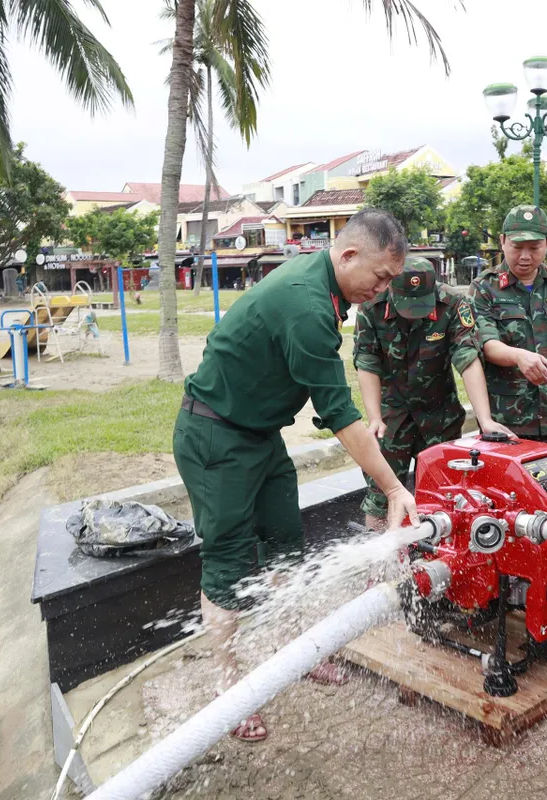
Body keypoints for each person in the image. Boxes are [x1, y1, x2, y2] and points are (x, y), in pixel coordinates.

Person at [173, 209, 421, 742]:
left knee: (287, 549)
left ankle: (291, 657)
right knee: (229, 565)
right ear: (348, 254)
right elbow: (339, 414)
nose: (381, 291)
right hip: (216, 437)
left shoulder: (327, 288)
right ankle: (229, 692)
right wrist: (394, 487)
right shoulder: (307, 304)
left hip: (259, 437)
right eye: (379, 277)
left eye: (390, 283)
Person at [353, 258, 513, 531]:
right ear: (392, 289)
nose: (413, 314)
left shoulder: (453, 304)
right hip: (392, 416)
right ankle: (380, 562)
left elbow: (467, 358)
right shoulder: (372, 304)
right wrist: (374, 418)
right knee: (380, 497)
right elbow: (367, 361)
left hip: (439, 413)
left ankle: (437, 561)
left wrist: (484, 420)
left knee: (445, 496)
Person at [470, 205, 547, 451]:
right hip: (507, 422)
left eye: (534, 248)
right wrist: (518, 356)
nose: (525, 256)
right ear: (503, 241)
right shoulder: (485, 288)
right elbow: (486, 345)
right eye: (517, 247)